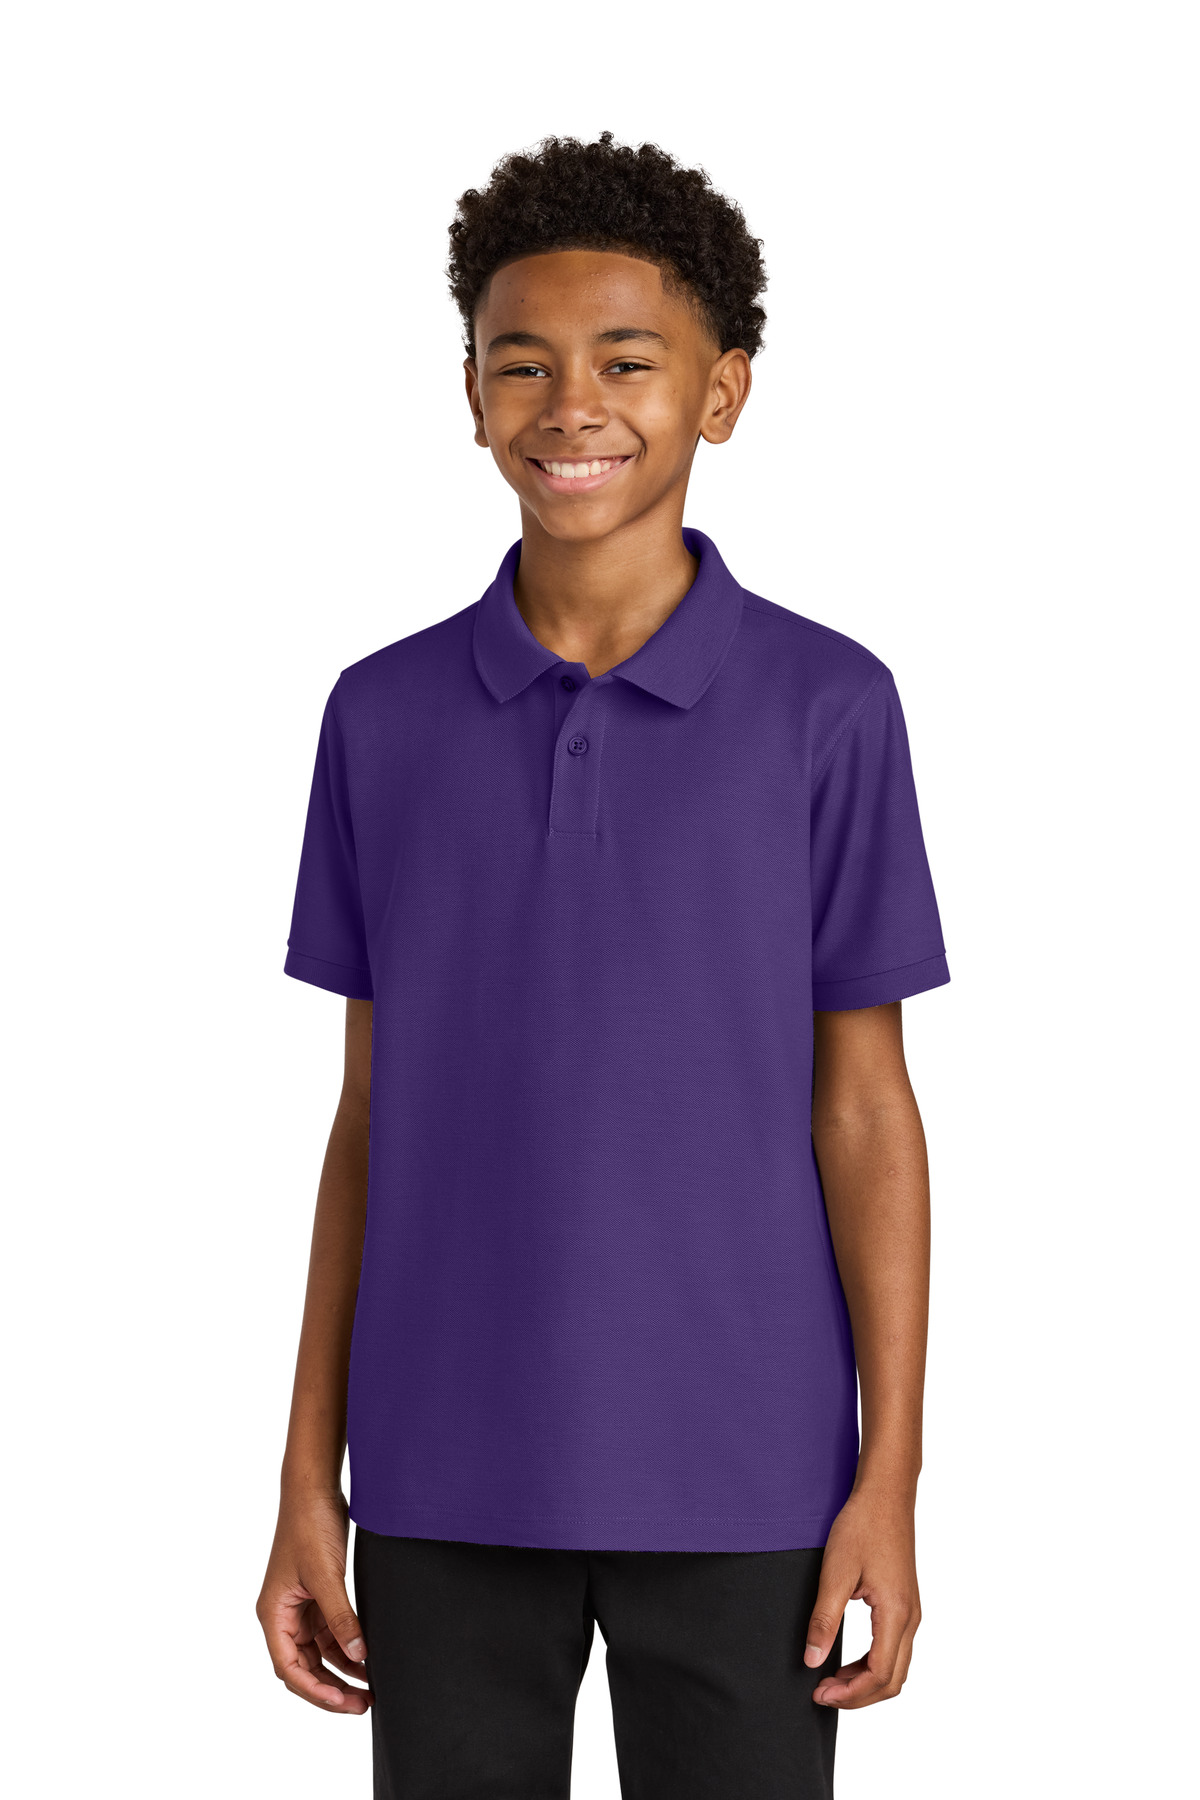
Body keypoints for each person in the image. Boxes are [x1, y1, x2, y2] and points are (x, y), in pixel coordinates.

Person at [256, 131, 949, 1800]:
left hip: (751, 1484)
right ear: (472, 396)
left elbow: (865, 1110)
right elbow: (371, 1119)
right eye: (525, 363)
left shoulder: (829, 709)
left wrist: (890, 1478)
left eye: (627, 361)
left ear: (723, 392)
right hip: (438, 1474)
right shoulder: (381, 715)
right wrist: (303, 1479)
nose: (572, 404)